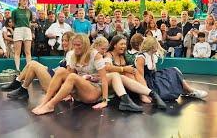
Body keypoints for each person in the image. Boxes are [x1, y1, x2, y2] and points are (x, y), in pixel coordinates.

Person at [32, 35, 166, 115]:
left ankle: (149, 94)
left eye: (78, 45)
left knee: (121, 75)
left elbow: (102, 76)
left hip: (96, 88)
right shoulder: (74, 56)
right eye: (75, 45)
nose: (76, 47)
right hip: (86, 88)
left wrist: (104, 101)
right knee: (62, 72)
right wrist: (67, 93)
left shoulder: (97, 56)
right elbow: (70, 75)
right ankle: (45, 102)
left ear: (85, 45)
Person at [1, 31, 75, 99]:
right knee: (31, 64)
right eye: (62, 40)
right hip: (53, 78)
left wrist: (65, 93)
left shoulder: (70, 54)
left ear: (72, 42)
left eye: (66, 41)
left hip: (55, 85)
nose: (63, 43)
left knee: (33, 64)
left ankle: (22, 88)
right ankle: (17, 82)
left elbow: (69, 75)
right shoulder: (70, 54)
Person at [135, 36, 208, 100]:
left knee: (174, 70)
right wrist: (145, 93)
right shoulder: (141, 57)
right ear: (151, 46)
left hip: (153, 77)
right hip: (148, 82)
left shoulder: (152, 55)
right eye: (156, 45)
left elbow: (154, 70)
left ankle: (189, 91)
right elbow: (140, 77)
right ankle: (190, 91)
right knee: (170, 75)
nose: (158, 47)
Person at [104, 35, 151, 103]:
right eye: (121, 44)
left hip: (126, 81)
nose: (124, 46)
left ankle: (147, 92)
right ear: (114, 45)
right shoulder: (109, 54)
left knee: (134, 71)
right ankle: (143, 95)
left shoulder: (123, 55)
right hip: (113, 82)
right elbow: (107, 67)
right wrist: (123, 69)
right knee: (127, 73)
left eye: (125, 44)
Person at [12, 0, 33, 73]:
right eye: (23, 0)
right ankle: (17, 69)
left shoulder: (29, 11)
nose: (25, 2)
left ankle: (29, 68)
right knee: (17, 51)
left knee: (28, 51)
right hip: (18, 29)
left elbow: (30, 22)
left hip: (27, 29)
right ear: (19, 1)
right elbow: (13, 22)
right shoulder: (15, 11)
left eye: (26, 0)